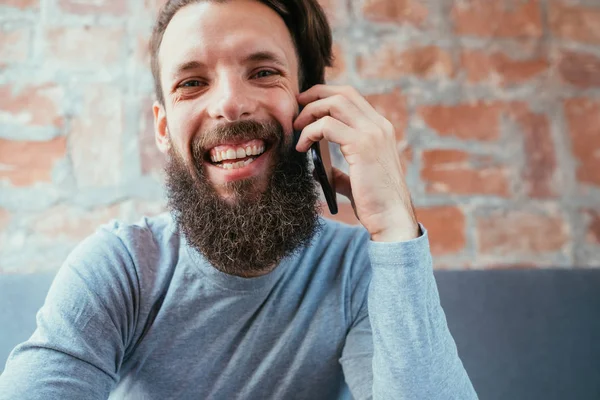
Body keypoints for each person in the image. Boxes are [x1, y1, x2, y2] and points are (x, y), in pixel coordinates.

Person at [0, 0, 478, 398]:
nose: (229, 102)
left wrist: (395, 228)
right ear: (164, 129)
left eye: (264, 72)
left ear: (309, 107)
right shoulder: (120, 269)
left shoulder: (356, 272)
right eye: (191, 82)